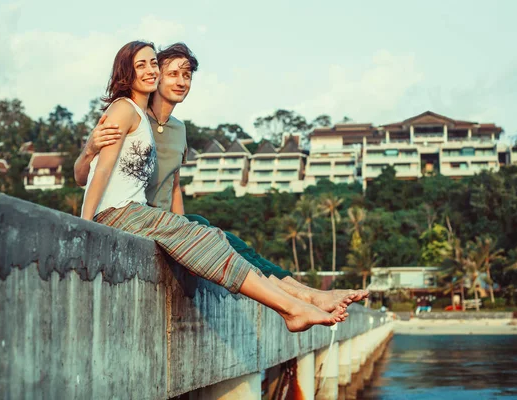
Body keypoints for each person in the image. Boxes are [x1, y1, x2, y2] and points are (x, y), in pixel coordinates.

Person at [75, 43, 369, 313]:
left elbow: (174, 186)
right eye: (171, 73)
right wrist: (88, 155)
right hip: (136, 217)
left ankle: (302, 294)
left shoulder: (178, 129)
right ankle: (296, 302)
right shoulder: (132, 114)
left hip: (160, 221)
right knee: (212, 235)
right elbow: (94, 171)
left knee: (232, 244)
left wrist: (182, 225)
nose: (180, 81)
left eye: (186, 75)